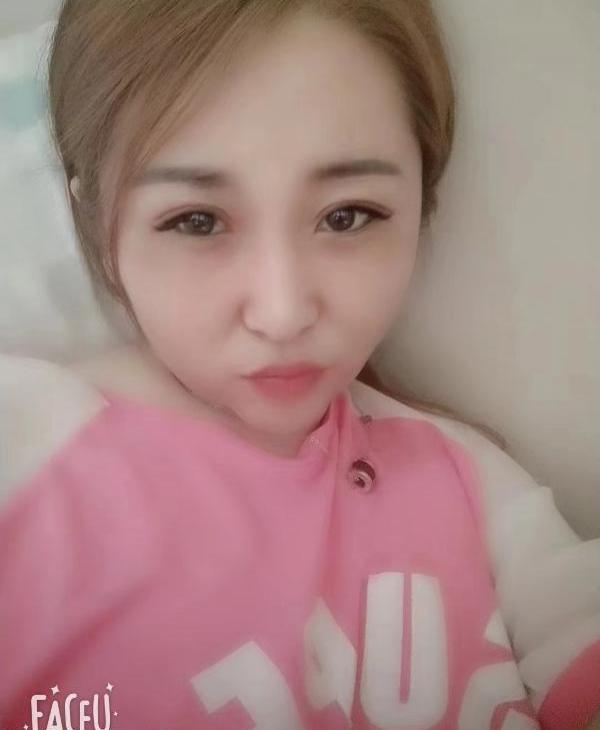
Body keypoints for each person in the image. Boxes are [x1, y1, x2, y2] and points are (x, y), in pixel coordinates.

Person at [0, 1, 598, 728]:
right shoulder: (24, 447)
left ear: (422, 203)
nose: (282, 314)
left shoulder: (475, 487)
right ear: (99, 224)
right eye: (197, 221)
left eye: (347, 215)